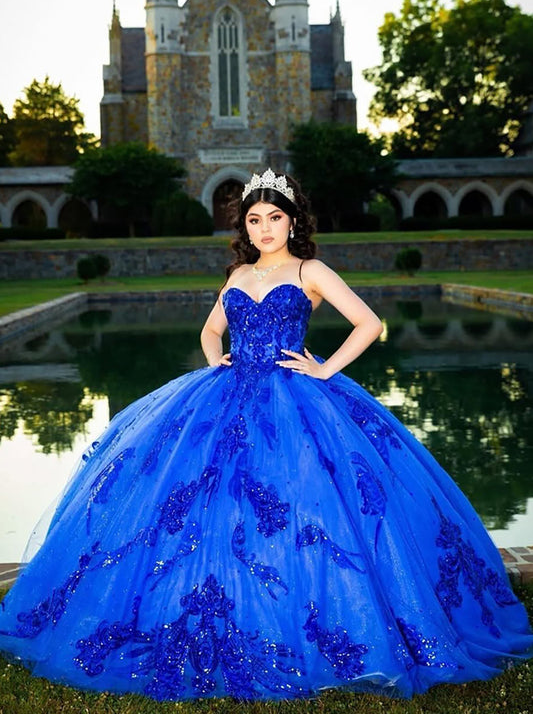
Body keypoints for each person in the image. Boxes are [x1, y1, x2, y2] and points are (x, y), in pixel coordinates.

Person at [0, 168, 531, 702]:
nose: (265, 229)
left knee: (304, 503)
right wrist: (217, 364)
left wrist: (326, 371)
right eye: (254, 220)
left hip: (296, 400)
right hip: (227, 394)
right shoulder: (236, 276)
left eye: (274, 217)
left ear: (292, 221)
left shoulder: (310, 270)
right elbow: (211, 330)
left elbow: (367, 323)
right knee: (202, 505)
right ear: (246, 229)